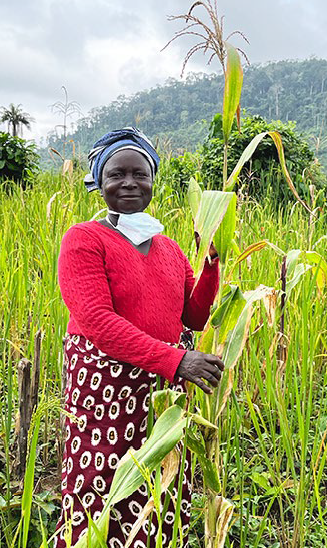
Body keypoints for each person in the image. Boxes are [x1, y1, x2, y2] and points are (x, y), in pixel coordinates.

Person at [55, 127, 223, 548]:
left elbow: (194, 316)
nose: (128, 183)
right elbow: (97, 321)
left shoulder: (168, 247)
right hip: (105, 389)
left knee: (161, 480)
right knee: (103, 484)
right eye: (116, 174)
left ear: (152, 181)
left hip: (160, 395)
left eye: (139, 174)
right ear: (99, 181)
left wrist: (212, 263)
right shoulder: (84, 239)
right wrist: (177, 360)